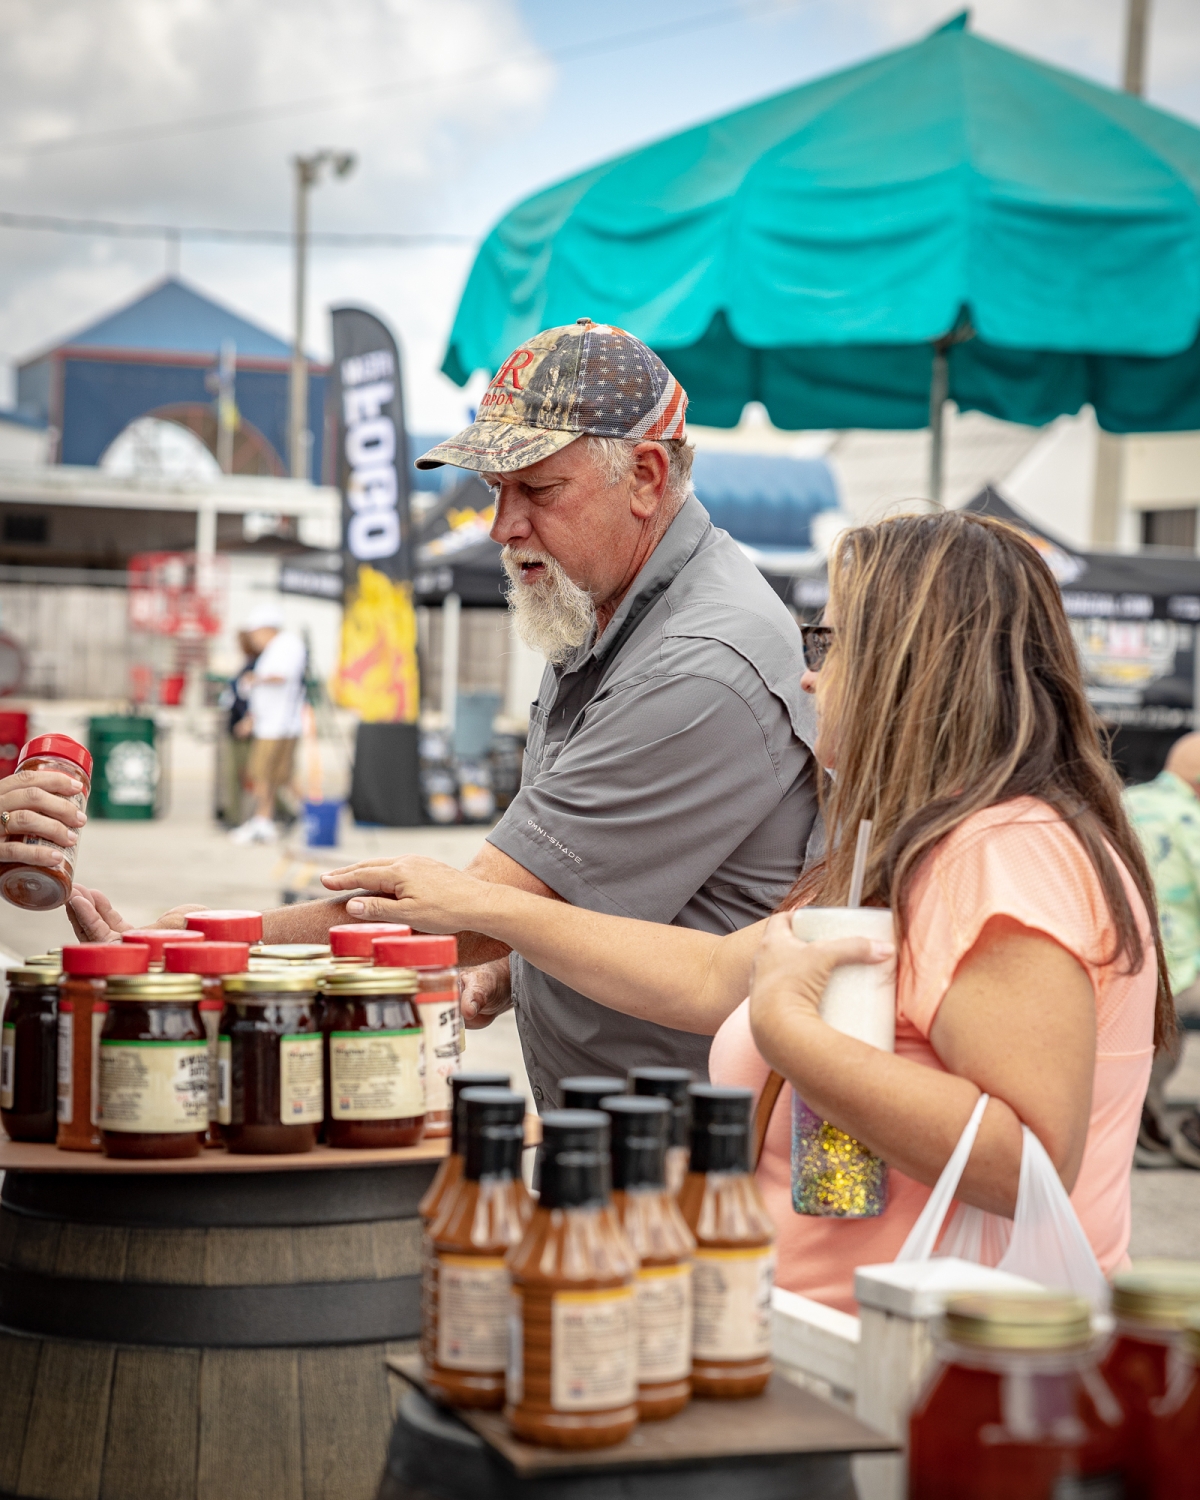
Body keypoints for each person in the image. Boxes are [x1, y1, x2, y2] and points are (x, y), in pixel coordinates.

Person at [320, 512, 1166, 1312]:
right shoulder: (928, 844)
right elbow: (711, 973)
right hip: (828, 1343)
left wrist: (793, 1034)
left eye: (830, 644)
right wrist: (496, 914)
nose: (808, 673)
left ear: (918, 664)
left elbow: (1027, 1161)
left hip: (923, 1376)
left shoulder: (1004, 853)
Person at [67, 320, 820, 1103]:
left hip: (687, 1150)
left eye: (539, 489)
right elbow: (586, 894)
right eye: (498, 491)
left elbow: (478, 910)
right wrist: (508, 967)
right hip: (633, 1121)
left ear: (645, 475)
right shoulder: (612, 607)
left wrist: (218, 941)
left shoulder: (698, 661)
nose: (503, 527)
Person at [1125, 734, 1200, 1169]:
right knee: (1176, 984)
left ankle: (1144, 1121)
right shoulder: (1191, 818)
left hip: (1119, 969)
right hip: (1174, 976)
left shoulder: (1123, 801)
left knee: (1161, 994)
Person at [229, 603, 307, 846]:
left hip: (279, 725)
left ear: (265, 629)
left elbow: (282, 675)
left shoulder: (288, 645)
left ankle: (272, 820)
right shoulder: (274, 649)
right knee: (273, 776)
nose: (254, 641)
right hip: (269, 723)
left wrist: (254, 679)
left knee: (266, 775)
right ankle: (266, 821)